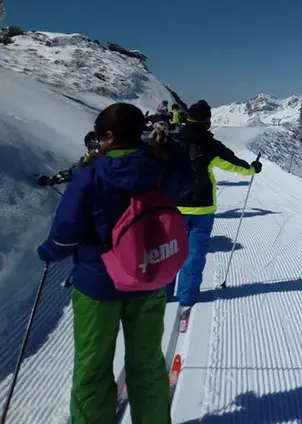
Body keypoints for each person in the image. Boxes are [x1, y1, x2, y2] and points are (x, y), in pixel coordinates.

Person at [37, 102, 196, 424]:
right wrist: (171, 149)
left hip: (98, 283)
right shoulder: (159, 166)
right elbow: (187, 183)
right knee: (148, 364)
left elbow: (65, 236)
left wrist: (47, 253)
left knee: (92, 367)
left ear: (108, 136)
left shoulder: (89, 176)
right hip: (149, 277)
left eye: (99, 137)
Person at [168, 100, 262, 306]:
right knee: (195, 253)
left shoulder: (172, 140)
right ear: (207, 121)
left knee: (169, 252)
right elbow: (234, 163)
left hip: (172, 207)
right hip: (203, 207)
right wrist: (252, 169)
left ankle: (163, 296)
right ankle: (187, 296)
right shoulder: (211, 145)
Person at [36, 131, 100, 187]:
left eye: (88, 144)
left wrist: (52, 180)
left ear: (92, 142)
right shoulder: (106, 150)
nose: (88, 147)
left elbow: (73, 172)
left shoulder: (92, 154)